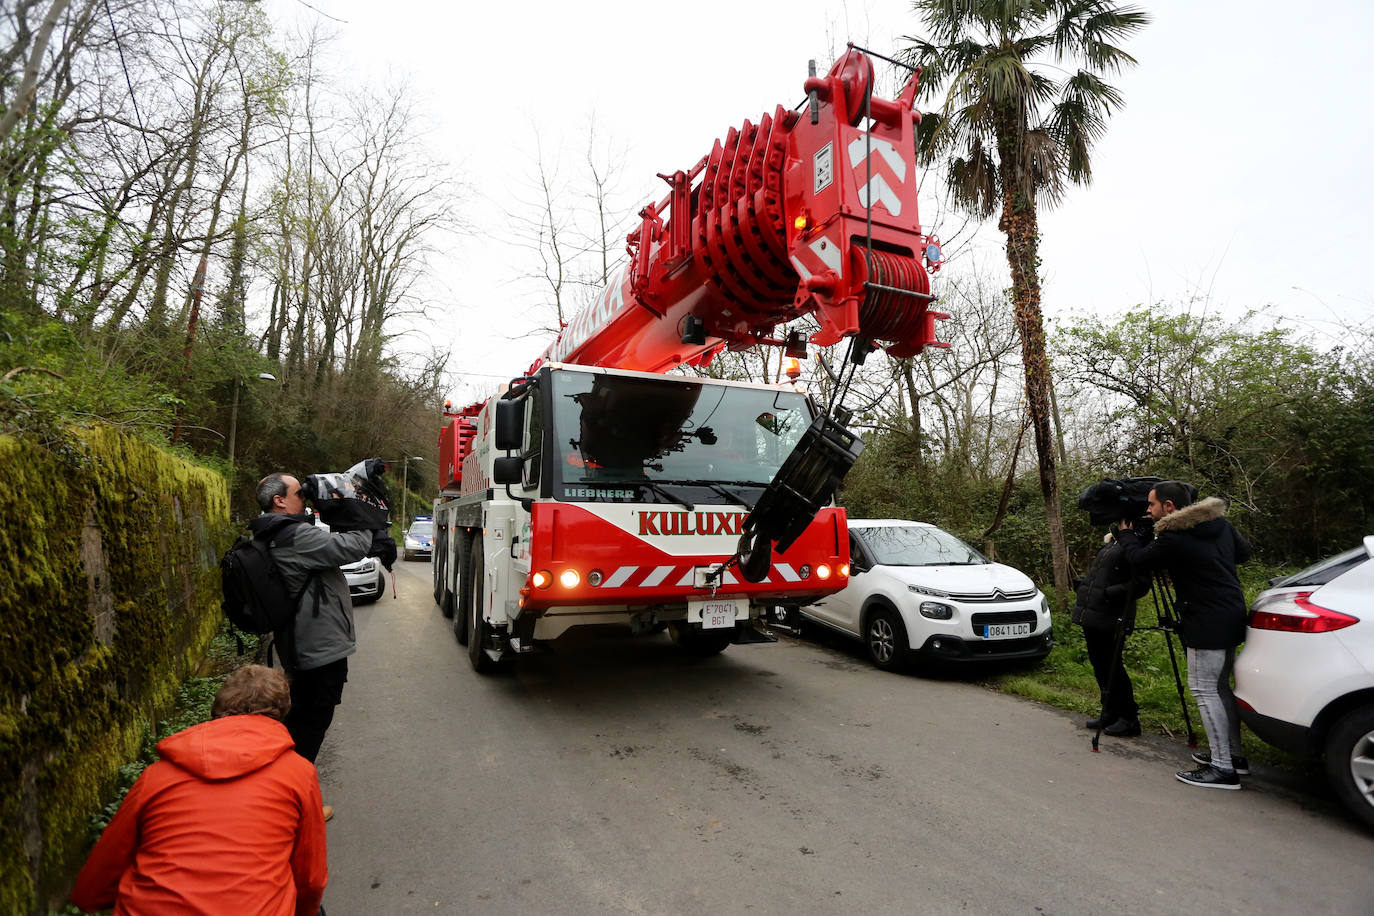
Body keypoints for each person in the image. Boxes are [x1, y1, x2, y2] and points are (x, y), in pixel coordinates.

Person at [70, 665, 328, 915]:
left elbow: (91, 889)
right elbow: (311, 880)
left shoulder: (156, 776)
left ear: (217, 710)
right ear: (282, 713)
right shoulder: (298, 773)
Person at [252, 472, 374, 817]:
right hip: (317, 649)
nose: (304, 498)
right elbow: (356, 546)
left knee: (299, 721)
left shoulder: (270, 531)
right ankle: (292, 803)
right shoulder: (294, 535)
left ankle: (280, 793)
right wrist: (350, 507)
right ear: (279, 501)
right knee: (309, 728)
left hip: (298, 644)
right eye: (298, 493)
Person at [1116, 481, 1252, 789]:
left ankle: (1222, 769)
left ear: (1168, 507)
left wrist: (1125, 536)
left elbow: (1139, 560)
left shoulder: (1175, 536)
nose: (1147, 511)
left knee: (1204, 690)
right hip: (1231, 611)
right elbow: (1244, 554)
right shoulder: (1219, 523)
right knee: (1220, 687)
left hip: (1205, 619)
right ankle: (1233, 756)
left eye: (1151, 505)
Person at [1072, 525, 1152, 737]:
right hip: (1094, 612)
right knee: (1099, 663)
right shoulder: (1113, 540)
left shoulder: (1135, 542)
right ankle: (1110, 711)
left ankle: (1128, 717)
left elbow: (1142, 584)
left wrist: (1110, 593)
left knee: (1112, 665)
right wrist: (1085, 585)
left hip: (1114, 614)